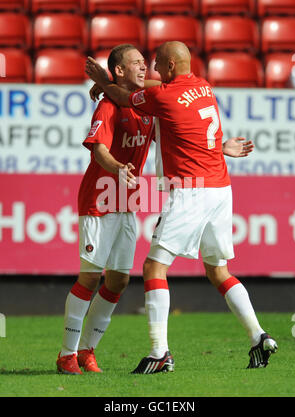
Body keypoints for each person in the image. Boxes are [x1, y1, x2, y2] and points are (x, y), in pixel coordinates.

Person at [85, 40, 278, 374]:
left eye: (158, 63)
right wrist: (221, 146)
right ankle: (258, 336)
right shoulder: (203, 87)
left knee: (153, 268)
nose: (154, 69)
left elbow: (124, 97)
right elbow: (183, 124)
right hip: (220, 187)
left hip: (191, 190)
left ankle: (160, 352)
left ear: (171, 66)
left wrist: (104, 82)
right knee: (219, 271)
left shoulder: (164, 96)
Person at [56, 44, 157, 375]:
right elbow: (98, 149)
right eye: (136, 64)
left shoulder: (146, 106)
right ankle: (66, 354)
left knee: (118, 281)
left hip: (126, 201)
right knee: (89, 276)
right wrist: (116, 168)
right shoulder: (108, 106)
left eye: (145, 62)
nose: (144, 68)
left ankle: (88, 350)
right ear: (120, 71)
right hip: (99, 199)